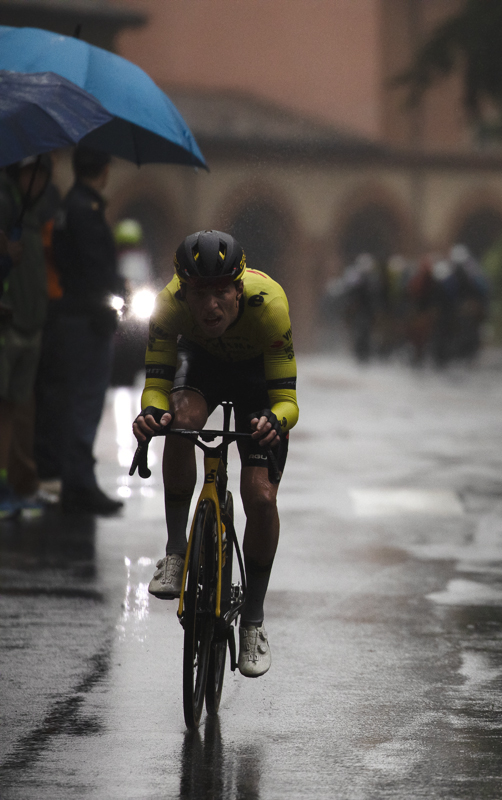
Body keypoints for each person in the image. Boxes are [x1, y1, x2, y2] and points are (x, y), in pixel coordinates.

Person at [133, 230, 297, 678]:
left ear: (239, 289)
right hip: (200, 364)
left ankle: (255, 620)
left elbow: (287, 400)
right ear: (184, 292)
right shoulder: (168, 306)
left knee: (261, 498)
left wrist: (275, 421)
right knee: (180, 421)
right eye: (200, 294)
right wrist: (152, 412)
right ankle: (175, 551)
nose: (211, 306)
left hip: (255, 378)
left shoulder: (271, 306)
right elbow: (156, 384)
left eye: (222, 292)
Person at [50, 146, 125, 514]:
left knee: (75, 398)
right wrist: (114, 295)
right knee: (86, 400)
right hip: (89, 317)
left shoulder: (68, 205)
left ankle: (75, 479)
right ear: (104, 169)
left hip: (71, 312)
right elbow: (96, 268)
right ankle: (79, 484)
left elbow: (63, 259)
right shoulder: (87, 210)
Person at [0, 155, 55, 516]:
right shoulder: (5, 206)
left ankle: (8, 481)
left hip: (28, 323)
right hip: (9, 323)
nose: (38, 183)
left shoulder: (29, 213)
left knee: (12, 409)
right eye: (32, 174)